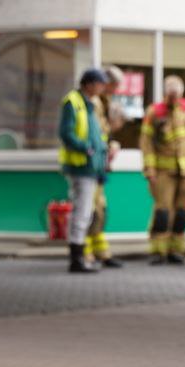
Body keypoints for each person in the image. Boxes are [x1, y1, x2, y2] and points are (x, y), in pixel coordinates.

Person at [140, 75, 185, 264]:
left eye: (176, 96)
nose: (174, 100)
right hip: (163, 171)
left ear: (181, 94)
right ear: (165, 94)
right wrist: (150, 168)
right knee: (162, 211)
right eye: (170, 96)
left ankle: (177, 249)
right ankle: (158, 250)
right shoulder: (155, 112)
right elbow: (146, 143)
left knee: (183, 210)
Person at [57, 68, 109, 274]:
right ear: (89, 84)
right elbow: (66, 133)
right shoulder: (73, 102)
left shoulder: (89, 105)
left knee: (85, 212)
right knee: (82, 212)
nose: (102, 88)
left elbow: (95, 135)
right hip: (81, 166)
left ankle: (78, 257)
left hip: (90, 167)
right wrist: (86, 149)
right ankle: (76, 259)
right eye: (100, 84)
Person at [85, 65, 125, 269]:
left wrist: (110, 144)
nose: (115, 91)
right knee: (90, 209)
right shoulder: (91, 103)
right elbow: (93, 132)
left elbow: (103, 132)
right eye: (113, 86)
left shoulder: (103, 102)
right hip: (89, 164)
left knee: (100, 209)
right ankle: (86, 252)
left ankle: (100, 251)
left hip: (99, 162)